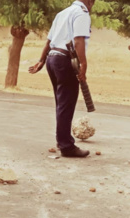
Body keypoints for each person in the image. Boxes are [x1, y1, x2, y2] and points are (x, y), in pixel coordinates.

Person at [28, 0, 95, 158]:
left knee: (61, 103)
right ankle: (66, 146)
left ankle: (62, 141)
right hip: (65, 60)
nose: (92, 5)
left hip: (52, 59)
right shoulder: (81, 14)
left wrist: (41, 60)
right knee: (66, 103)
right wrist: (83, 64)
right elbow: (78, 40)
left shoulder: (62, 13)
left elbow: (49, 41)